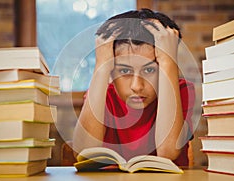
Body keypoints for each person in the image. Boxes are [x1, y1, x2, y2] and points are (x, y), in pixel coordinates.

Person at [73, 8, 195, 166]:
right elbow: (82, 153)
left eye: (150, 70)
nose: (137, 86)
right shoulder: (103, 95)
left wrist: (168, 61)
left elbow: (168, 152)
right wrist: (101, 66)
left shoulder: (182, 91)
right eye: (125, 71)